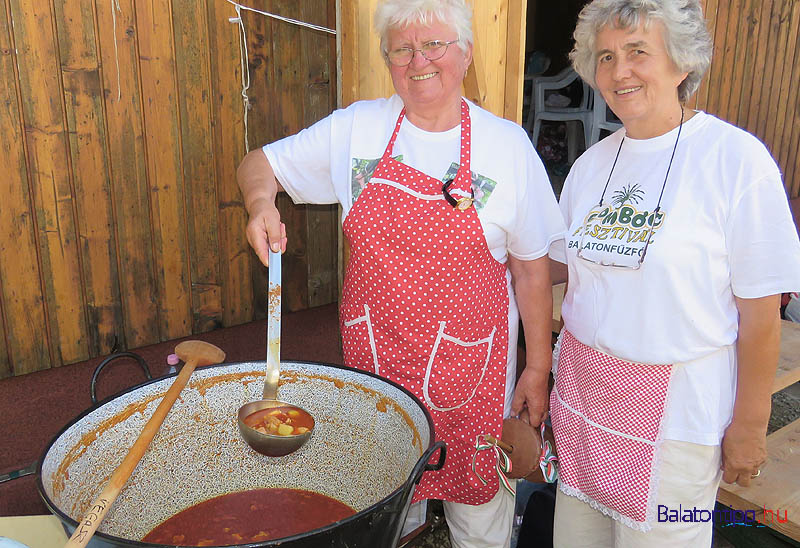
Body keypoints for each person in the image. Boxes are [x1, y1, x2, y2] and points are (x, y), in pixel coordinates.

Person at [237, 0, 565, 546]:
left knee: (480, 516)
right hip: (379, 366)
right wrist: (258, 204)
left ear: (464, 51)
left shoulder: (507, 146)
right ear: (387, 57)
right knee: (386, 513)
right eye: (403, 48)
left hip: (473, 370)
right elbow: (260, 164)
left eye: (434, 44)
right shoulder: (356, 129)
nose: (419, 61)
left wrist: (536, 369)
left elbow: (531, 273)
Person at [546, 0, 800, 546]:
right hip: (583, 408)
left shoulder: (736, 161)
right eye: (607, 56)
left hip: (675, 424)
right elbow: (559, 269)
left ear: (682, 63)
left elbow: (762, 317)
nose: (619, 72)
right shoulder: (591, 166)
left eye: (639, 52)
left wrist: (750, 428)